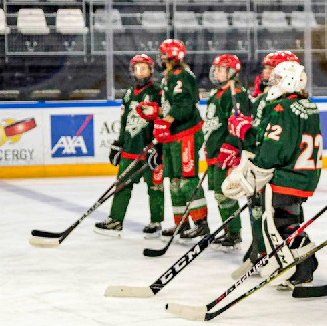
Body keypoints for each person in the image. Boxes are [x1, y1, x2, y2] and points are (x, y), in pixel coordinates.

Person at [221, 60, 322, 289]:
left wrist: (256, 165)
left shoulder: (281, 108)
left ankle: (304, 269)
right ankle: (297, 266)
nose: (273, 82)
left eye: (277, 78)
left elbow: (275, 146)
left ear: (288, 80)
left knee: (283, 225)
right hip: (303, 174)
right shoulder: (307, 105)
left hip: (287, 175)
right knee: (288, 222)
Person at [229, 50, 301, 272]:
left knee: (282, 218)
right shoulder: (265, 97)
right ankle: (260, 247)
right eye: (266, 68)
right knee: (258, 210)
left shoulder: (287, 103)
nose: (265, 72)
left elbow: (268, 136)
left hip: (278, 169)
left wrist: (246, 131)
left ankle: (289, 260)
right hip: (262, 163)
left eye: (271, 68)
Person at [95, 54, 163, 237]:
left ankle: (156, 222)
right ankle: (115, 220)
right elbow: (125, 121)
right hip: (130, 149)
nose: (140, 72)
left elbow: (163, 119)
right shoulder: (128, 93)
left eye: (144, 68)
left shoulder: (158, 91)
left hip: (149, 149)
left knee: (155, 187)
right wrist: (119, 143)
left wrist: (159, 145)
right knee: (122, 185)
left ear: (151, 70)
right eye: (137, 68)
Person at [152, 38, 207, 240]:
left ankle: (201, 222)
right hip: (174, 136)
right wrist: (155, 114)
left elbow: (184, 104)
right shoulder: (169, 77)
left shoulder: (181, 75)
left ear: (171, 56)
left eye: (163, 54)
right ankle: (181, 223)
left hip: (187, 134)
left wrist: (167, 120)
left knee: (187, 180)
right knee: (174, 181)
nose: (161, 57)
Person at [202, 53, 252, 248]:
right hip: (215, 153)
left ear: (231, 72)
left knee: (225, 194)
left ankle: (234, 232)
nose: (216, 73)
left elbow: (240, 123)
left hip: (228, 154)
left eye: (221, 69)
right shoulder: (216, 94)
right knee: (218, 194)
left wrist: (230, 146)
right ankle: (229, 230)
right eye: (216, 69)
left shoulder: (236, 93)